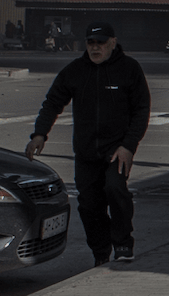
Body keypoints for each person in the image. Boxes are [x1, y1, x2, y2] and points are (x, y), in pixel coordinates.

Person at [27, 21, 152, 267]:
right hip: (85, 151)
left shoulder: (129, 69)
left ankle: (123, 243)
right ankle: (100, 251)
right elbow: (53, 102)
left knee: (115, 191)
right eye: (91, 43)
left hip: (117, 149)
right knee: (89, 205)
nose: (96, 48)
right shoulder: (75, 71)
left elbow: (141, 110)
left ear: (113, 43)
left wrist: (128, 145)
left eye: (101, 43)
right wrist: (39, 134)